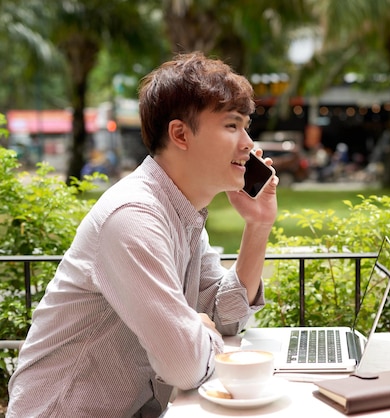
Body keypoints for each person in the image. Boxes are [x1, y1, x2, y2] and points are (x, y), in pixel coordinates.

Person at [7, 52, 278, 417]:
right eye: (232, 126)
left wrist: (258, 225)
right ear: (180, 134)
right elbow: (183, 366)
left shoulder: (183, 213)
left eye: (245, 126)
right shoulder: (134, 217)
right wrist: (197, 330)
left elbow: (224, 314)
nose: (247, 143)